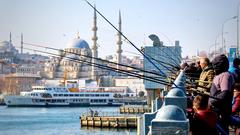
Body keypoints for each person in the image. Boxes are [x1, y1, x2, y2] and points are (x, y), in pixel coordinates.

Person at [209, 54, 235, 134]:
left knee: (222, 131)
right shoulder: (219, 75)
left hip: (222, 113)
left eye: (215, 65)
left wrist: (211, 101)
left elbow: (225, 94)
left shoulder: (225, 75)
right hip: (216, 112)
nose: (214, 68)